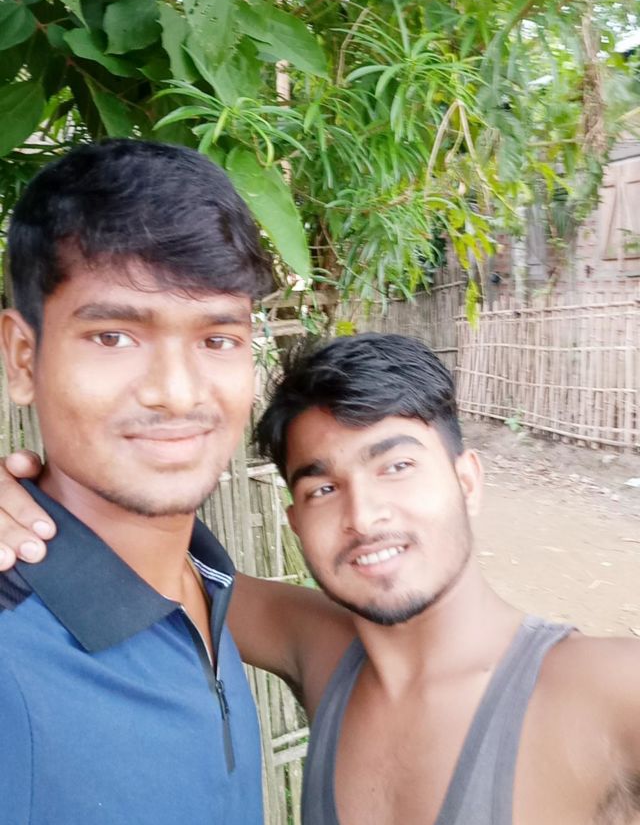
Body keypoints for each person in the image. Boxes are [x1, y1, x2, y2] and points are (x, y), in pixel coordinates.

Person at [2, 334, 640, 824]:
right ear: (296, 522)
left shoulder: (607, 688)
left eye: (396, 467)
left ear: (466, 481)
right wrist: (21, 505)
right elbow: (145, 562)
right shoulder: (319, 647)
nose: (364, 516)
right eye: (324, 488)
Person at [0, 139, 273, 824]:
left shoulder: (207, 582)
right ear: (23, 359)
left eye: (217, 339)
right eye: (114, 336)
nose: (177, 393)